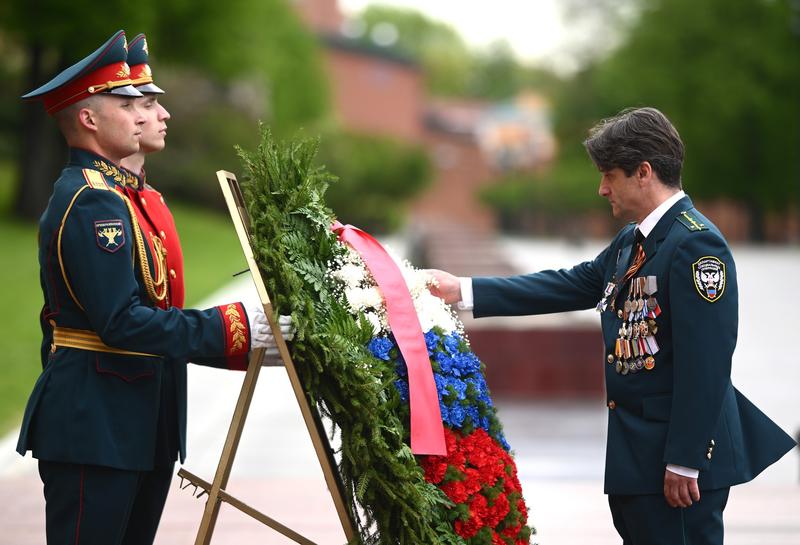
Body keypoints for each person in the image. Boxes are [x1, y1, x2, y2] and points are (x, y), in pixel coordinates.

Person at [428, 107, 796, 545]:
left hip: (677, 466)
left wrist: (685, 459)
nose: (602, 189)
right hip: (639, 456)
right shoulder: (633, 240)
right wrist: (462, 290)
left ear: (643, 172)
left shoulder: (696, 245)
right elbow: (570, 284)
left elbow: (707, 362)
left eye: (609, 176)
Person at [15, 31, 276, 545]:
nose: (144, 114)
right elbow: (121, 320)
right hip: (95, 425)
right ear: (89, 119)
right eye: (126, 103)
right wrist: (235, 328)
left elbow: (154, 311)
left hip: (135, 424)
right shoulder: (92, 201)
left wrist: (246, 341)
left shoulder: (121, 195)